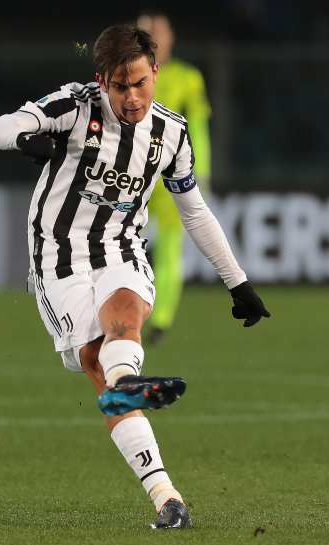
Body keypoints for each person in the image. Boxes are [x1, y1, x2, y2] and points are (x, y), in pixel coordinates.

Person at [0, 23, 270, 530]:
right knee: (96, 358)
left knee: (125, 314)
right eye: (120, 86)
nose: (132, 96)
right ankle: (161, 484)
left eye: (140, 82)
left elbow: (195, 212)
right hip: (57, 255)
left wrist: (237, 281)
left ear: (155, 72)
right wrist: (27, 141)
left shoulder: (172, 132)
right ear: (102, 82)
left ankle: (167, 497)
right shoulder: (74, 106)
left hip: (120, 246)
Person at [137, 13, 212, 344]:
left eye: (160, 32)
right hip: (129, 173)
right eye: (148, 33)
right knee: (117, 242)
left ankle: (161, 321)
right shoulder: (128, 72)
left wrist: (202, 171)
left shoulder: (187, 78)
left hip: (169, 175)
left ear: (171, 39)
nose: (155, 38)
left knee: (169, 249)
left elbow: (198, 127)